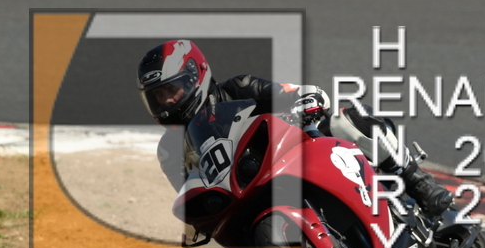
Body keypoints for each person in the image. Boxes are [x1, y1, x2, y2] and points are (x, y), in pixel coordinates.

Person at [136, 39, 453, 219]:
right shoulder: (169, 149)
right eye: (157, 96)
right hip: (247, 199)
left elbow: (292, 93)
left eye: (172, 89)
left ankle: (417, 181)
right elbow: (190, 199)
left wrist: (306, 100)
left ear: (197, 75)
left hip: (294, 155)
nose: (167, 101)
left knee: (347, 120)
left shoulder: (239, 88)